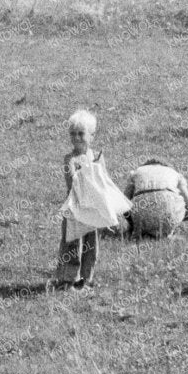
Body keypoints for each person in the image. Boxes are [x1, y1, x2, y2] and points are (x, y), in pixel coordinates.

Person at [56, 110, 131, 289]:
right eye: (72, 134)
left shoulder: (97, 157)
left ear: (92, 135)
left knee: (91, 245)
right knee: (72, 243)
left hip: (94, 209)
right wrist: (89, 171)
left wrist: (109, 212)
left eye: (81, 133)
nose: (76, 138)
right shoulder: (70, 159)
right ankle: (68, 280)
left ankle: (86, 279)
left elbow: (104, 182)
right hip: (76, 208)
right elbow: (72, 182)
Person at [124, 158, 188, 238]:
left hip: (141, 217)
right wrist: (175, 220)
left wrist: (133, 224)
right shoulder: (175, 174)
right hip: (169, 214)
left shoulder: (135, 173)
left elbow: (123, 204)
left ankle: (145, 230)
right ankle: (166, 229)